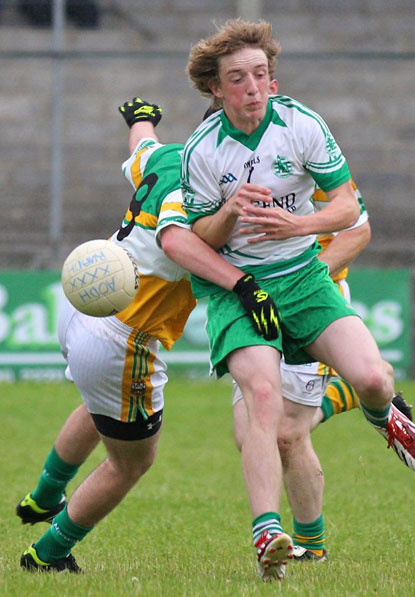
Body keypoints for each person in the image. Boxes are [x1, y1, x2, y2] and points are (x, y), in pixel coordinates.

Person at [181, 18, 415, 581]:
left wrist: (299, 226)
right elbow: (198, 240)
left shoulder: (301, 123)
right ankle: (270, 531)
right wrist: (229, 211)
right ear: (215, 89)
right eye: (238, 78)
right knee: (263, 403)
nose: (253, 86)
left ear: (273, 79)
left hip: (304, 277)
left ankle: (380, 412)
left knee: (373, 377)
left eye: (261, 74)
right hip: (239, 292)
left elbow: (348, 209)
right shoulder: (201, 150)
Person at [17, 97, 281, 573]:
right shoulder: (203, 188)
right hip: (125, 337)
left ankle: (43, 496)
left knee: (97, 407)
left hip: (83, 307)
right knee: (131, 463)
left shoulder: (166, 156)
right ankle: (48, 555)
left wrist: (141, 118)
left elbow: (143, 146)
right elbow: (176, 240)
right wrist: (242, 283)